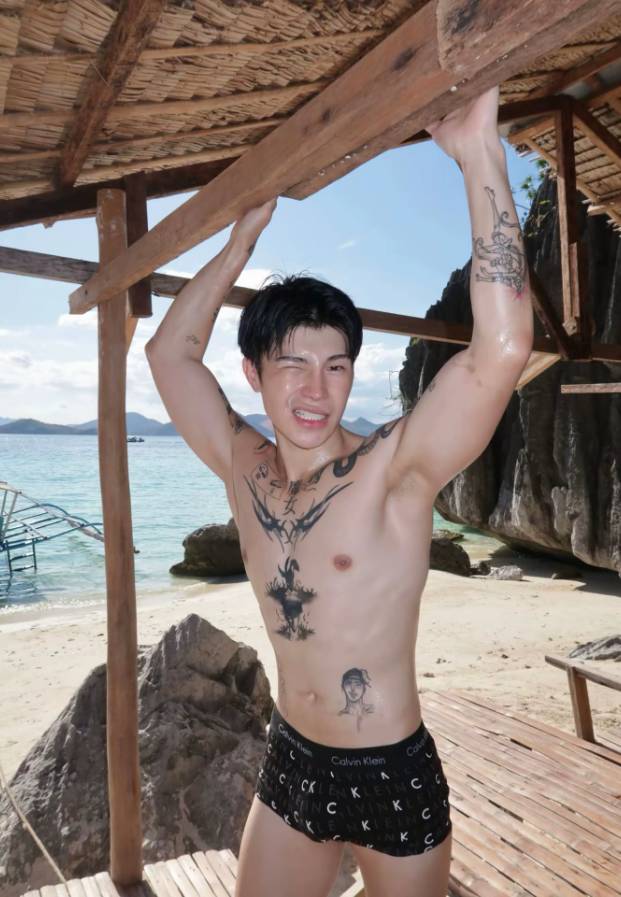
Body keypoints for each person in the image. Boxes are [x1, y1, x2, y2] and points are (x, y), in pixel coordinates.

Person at [145, 83, 534, 897]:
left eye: (335, 365)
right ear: (253, 372)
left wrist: (478, 156)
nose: (315, 389)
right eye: (291, 364)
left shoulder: (392, 469)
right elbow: (168, 354)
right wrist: (240, 240)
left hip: (390, 769)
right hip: (293, 758)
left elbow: (499, 350)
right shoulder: (243, 467)